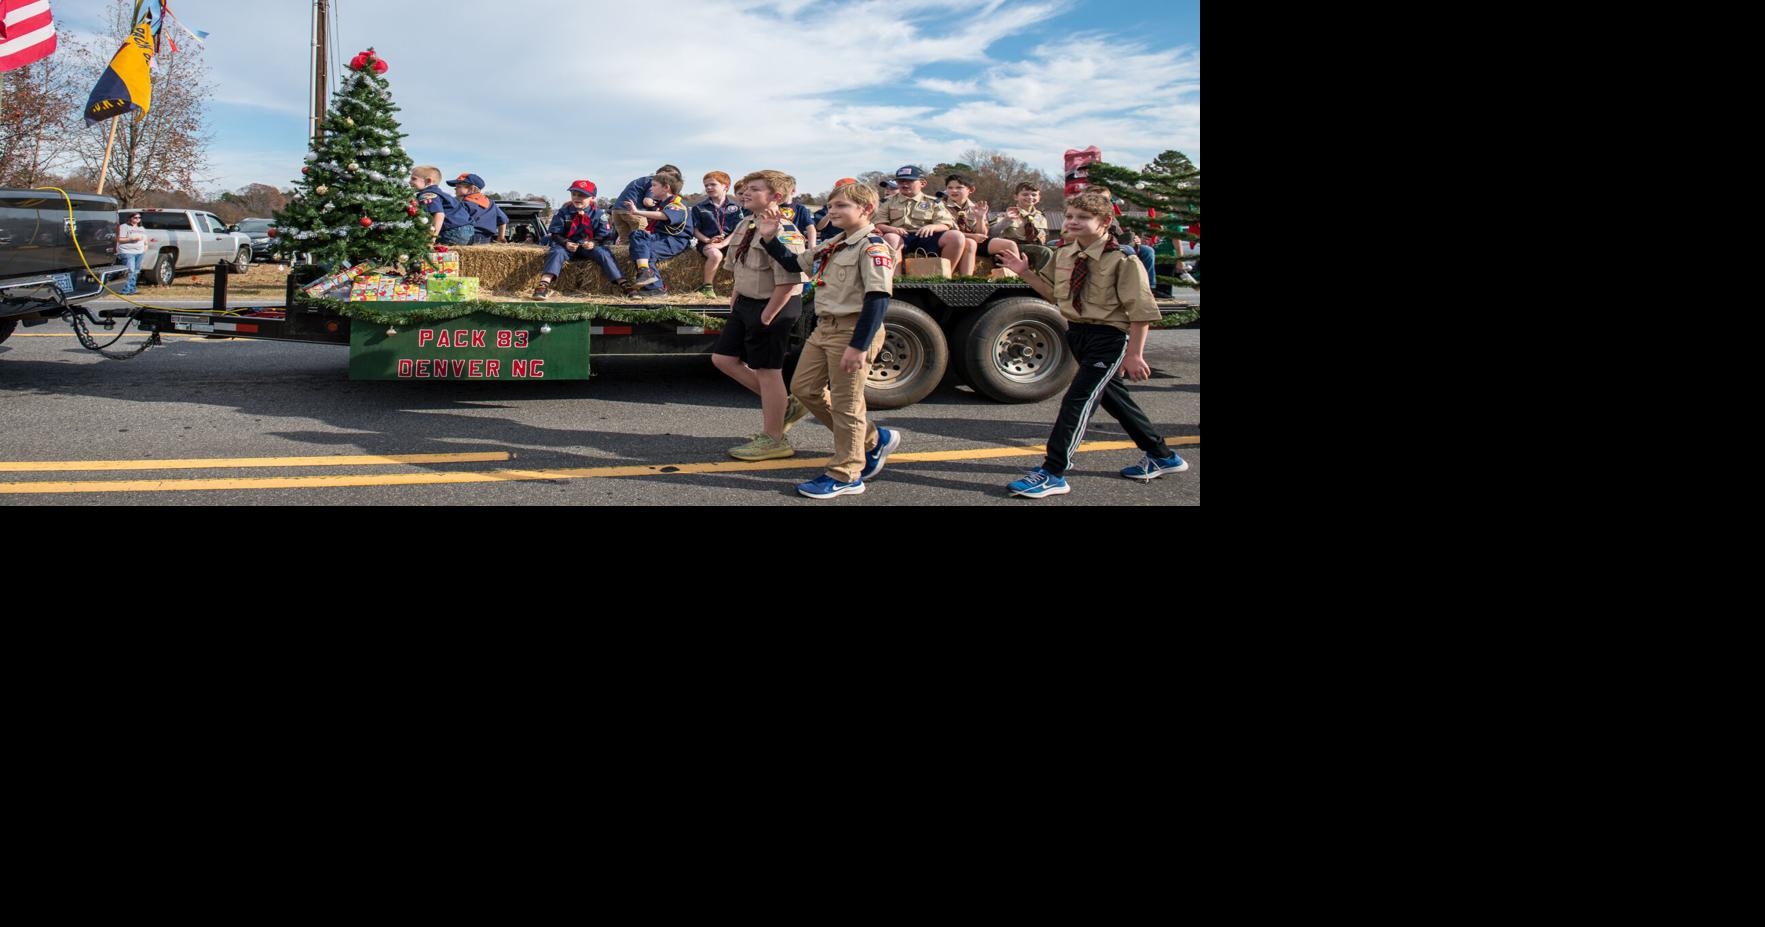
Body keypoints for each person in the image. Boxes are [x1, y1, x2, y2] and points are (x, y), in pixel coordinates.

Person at [995, 190, 1186, 498]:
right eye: (1070, 216)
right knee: (1115, 400)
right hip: (1078, 333)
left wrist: (1134, 355)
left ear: (1106, 222)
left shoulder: (1123, 260)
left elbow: (1141, 312)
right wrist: (1026, 273)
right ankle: (1163, 456)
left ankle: (1053, 472)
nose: (1073, 222)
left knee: (1077, 400)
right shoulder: (1065, 252)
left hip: (1108, 338)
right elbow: (1057, 297)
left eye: (1083, 218)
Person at [757, 180, 902, 499]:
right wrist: (770, 235)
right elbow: (795, 264)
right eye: (831, 205)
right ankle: (873, 439)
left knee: (847, 404)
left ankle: (847, 473)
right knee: (804, 388)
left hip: (852, 330)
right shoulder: (835, 242)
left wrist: (859, 345)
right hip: (825, 328)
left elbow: (878, 299)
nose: (832, 211)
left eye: (841, 206)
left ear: (865, 209)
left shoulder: (873, 246)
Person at [711, 170, 812, 462]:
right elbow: (739, 268)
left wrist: (768, 314)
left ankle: (774, 439)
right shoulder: (746, 223)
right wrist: (735, 300)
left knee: (769, 372)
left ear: (775, 197)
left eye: (754, 189)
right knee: (723, 358)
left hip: (774, 305)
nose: (745, 193)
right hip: (746, 302)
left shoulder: (784, 229)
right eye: (744, 189)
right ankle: (785, 405)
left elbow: (792, 278)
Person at [532, 180, 631, 300]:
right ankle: (543, 284)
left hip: (589, 247)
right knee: (556, 252)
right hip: (566, 246)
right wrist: (565, 243)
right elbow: (555, 234)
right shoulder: (563, 213)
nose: (576, 197)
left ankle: (624, 283)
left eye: (582, 195)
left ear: (592, 198)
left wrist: (593, 242)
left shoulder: (599, 214)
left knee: (604, 253)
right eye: (574, 194)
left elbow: (605, 235)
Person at [873, 165, 964, 269]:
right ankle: (895, 280)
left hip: (927, 236)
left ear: (923, 183)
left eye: (909, 181)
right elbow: (878, 223)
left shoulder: (933, 202)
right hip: (900, 237)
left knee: (956, 236)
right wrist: (892, 229)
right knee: (890, 237)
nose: (904, 184)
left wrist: (932, 227)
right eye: (900, 181)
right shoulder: (888, 202)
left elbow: (946, 223)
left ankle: (945, 276)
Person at [943, 173, 1022, 276]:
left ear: (971, 190)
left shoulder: (976, 207)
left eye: (959, 187)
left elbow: (983, 235)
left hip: (976, 240)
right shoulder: (940, 205)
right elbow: (945, 231)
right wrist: (972, 236)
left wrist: (980, 218)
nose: (954, 191)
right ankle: (966, 280)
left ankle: (1013, 278)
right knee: (971, 242)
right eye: (950, 188)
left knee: (1009, 245)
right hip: (953, 242)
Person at [692, 171, 745, 298]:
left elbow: (738, 229)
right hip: (707, 243)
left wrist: (723, 243)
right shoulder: (699, 207)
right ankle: (707, 286)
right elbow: (694, 230)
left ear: (725, 187)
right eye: (706, 185)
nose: (708, 188)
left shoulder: (736, 207)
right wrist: (708, 240)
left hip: (730, 243)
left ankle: (741, 287)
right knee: (715, 255)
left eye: (712, 184)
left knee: (746, 255)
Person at [989, 181, 1054, 271]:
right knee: (1044, 252)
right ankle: (1041, 281)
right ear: (1016, 197)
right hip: (1014, 247)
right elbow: (991, 233)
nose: (1030, 197)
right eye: (1025, 194)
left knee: (1059, 251)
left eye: (1034, 195)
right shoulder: (1008, 214)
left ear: (1039, 198)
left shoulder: (1041, 217)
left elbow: (1043, 237)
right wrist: (1006, 221)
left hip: (1035, 246)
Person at [611, 164, 682, 242]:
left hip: (616, 211)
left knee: (625, 240)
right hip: (632, 211)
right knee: (641, 239)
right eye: (671, 176)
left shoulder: (643, 180)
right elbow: (647, 202)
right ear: (663, 173)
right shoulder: (654, 182)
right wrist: (655, 204)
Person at [410, 165, 470, 245]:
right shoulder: (442, 194)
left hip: (452, 232)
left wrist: (431, 239)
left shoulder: (427, 194)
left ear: (428, 181)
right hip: (466, 230)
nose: (410, 182)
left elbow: (439, 215)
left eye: (414, 179)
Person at [448, 172, 508, 244]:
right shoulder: (491, 203)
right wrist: (501, 237)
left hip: (468, 238)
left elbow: (454, 222)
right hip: (486, 240)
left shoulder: (465, 204)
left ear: (472, 189)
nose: (455, 189)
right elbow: (503, 220)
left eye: (458, 186)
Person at [115, 212, 148, 294]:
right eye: (135, 217)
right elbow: (119, 239)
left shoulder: (141, 228)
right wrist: (131, 239)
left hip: (139, 252)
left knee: (136, 271)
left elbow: (145, 239)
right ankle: (125, 290)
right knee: (130, 271)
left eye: (139, 217)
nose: (137, 219)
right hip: (127, 252)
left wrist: (146, 246)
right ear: (130, 218)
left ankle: (132, 289)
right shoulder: (124, 227)